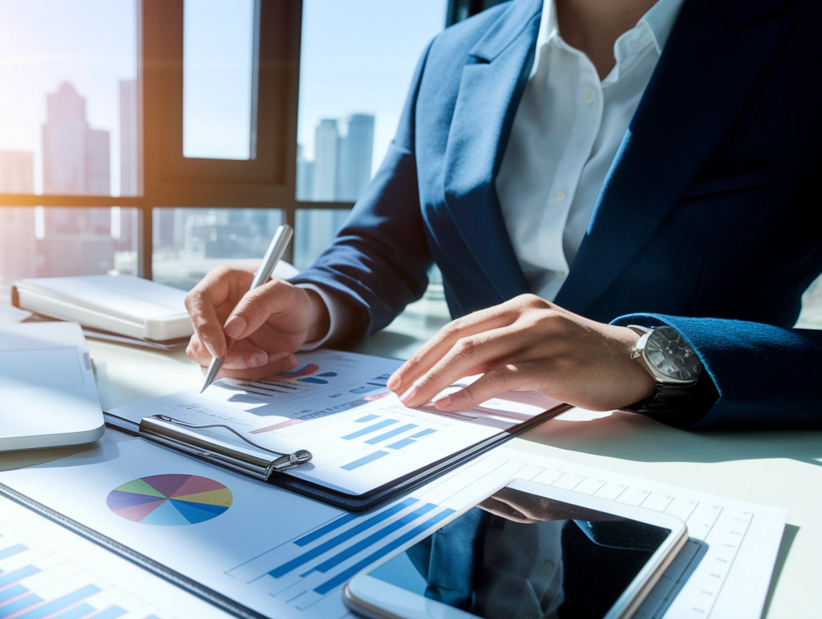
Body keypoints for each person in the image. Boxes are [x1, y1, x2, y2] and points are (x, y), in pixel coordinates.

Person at [184, 0, 822, 429]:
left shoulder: (802, 42)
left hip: (693, 459)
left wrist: (647, 358)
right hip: (457, 445)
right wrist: (312, 305)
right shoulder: (451, 54)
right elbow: (382, 248)